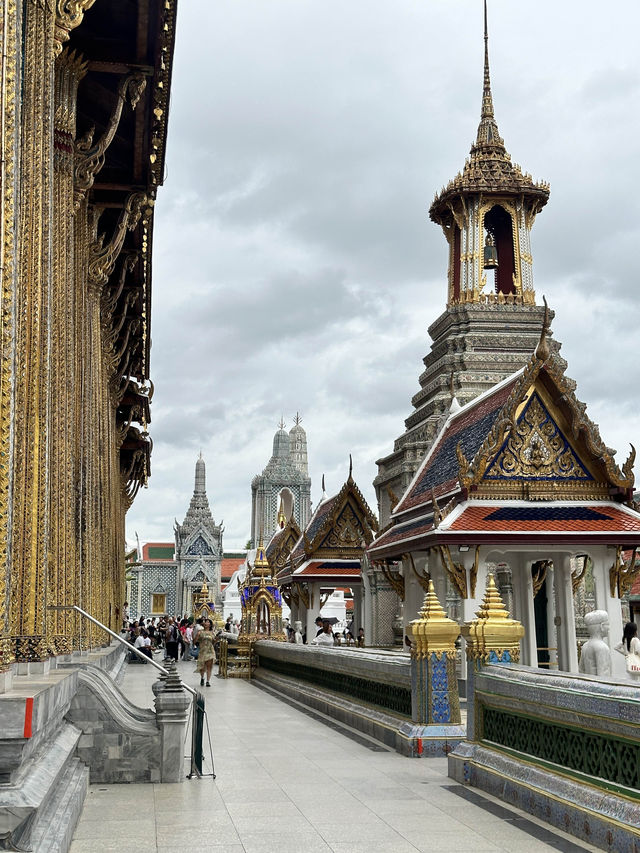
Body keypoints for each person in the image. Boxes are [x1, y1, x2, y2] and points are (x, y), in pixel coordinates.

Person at [578, 610, 611, 677]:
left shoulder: (585, 645)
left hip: (588, 684)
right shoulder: (602, 647)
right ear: (602, 626)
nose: (609, 628)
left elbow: (581, 670)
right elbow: (604, 672)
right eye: (607, 624)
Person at [195, 617, 216, 686]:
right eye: (205, 622)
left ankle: (208, 681)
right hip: (203, 651)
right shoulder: (200, 632)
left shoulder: (212, 633)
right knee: (202, 666)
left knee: (209, 666)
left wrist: (216, 639)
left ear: (210, 624)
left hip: (210, 650)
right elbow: (195, 641)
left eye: (208, 622)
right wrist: (196, 636)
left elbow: (214, 642)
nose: (206, 623)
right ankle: (202, 677)